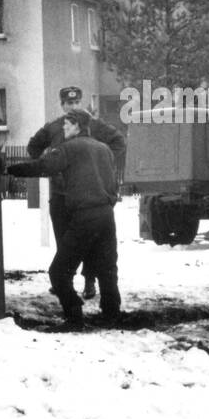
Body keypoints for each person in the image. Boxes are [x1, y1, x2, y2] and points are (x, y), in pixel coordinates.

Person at [6, 109, 121, 326]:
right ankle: (111, 313)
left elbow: (43, 166)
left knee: (58, 272)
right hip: (106, 216)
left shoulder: (69, 148)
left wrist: (12, 169)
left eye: (67, 125)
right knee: (107, 269)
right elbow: (113, 184)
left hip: (84, 216)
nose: (64, 128)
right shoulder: (104, 149)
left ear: (77, 126)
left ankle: (74, 313)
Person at [27, 86, 125, 299]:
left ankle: (90, 281)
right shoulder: (54, 127)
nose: (72, 106)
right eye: (68, 103)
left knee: (92, 242)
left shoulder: (94, 125)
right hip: (61, 195)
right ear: (62, 105)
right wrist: (49, 164)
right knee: (64, 241)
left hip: (87, 196)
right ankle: (64, 281)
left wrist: (102, 163)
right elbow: (33, 147)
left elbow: (118, 141)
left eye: (76, 102)